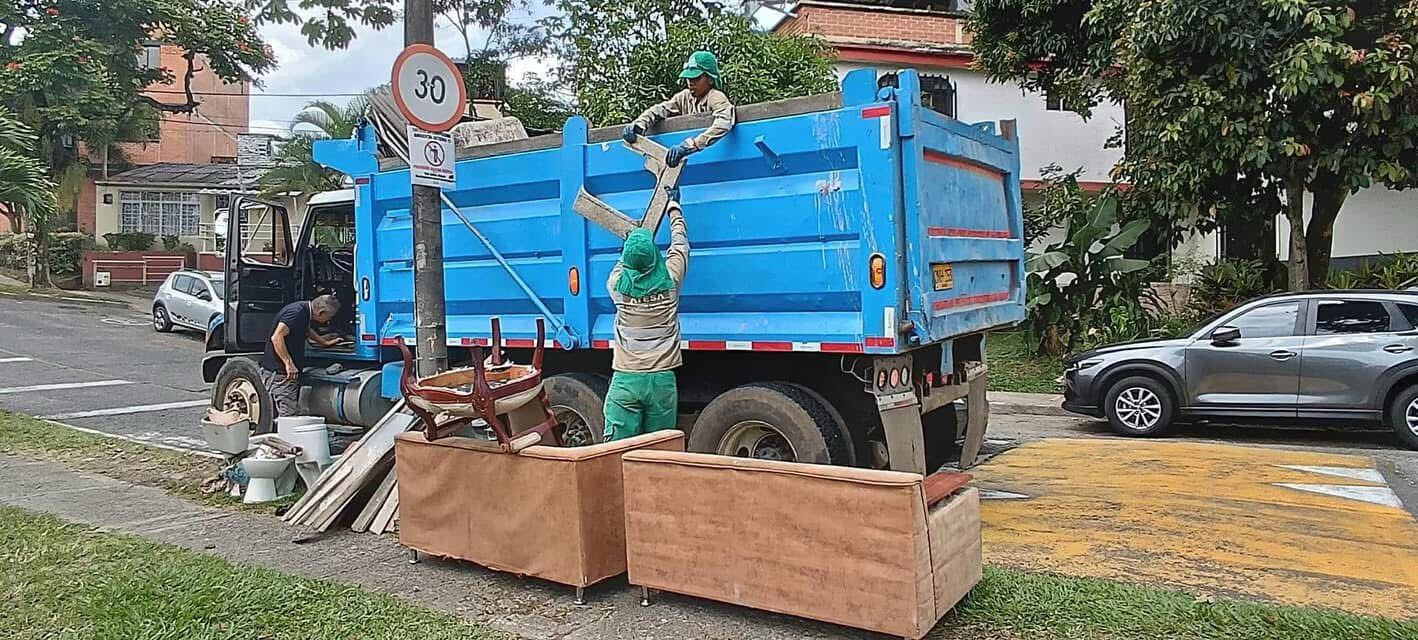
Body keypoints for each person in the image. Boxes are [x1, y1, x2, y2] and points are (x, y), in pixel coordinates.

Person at [603, 204, 690, 441]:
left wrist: (633, 242)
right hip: (662, 380)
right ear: (654, 256)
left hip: (626, 380)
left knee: (616, 450)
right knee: (658, 450)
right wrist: (674, 210)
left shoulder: (616, 289)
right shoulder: (671, 282)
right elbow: (680, 247)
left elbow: (624, 263)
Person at [622, 50, 735, 167]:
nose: (691, 83)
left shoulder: (716, 97)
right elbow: (661, 109)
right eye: (689, 78)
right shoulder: (684, 97)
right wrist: (640, 124)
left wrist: (689, 146)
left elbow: (724, 122)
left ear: (710, 79)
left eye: (696, 78)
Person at [260, 294, 342, 418]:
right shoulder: (296, 313)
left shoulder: (304, 311)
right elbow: (277, 337)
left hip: (282, 370)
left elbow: (306, 330)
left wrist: (324, 342)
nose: (328, 321)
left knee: (288, 411)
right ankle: (286, 436)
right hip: (280, 372)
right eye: (329, 317)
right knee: (288, 413)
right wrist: (289, 363)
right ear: (321, 312)